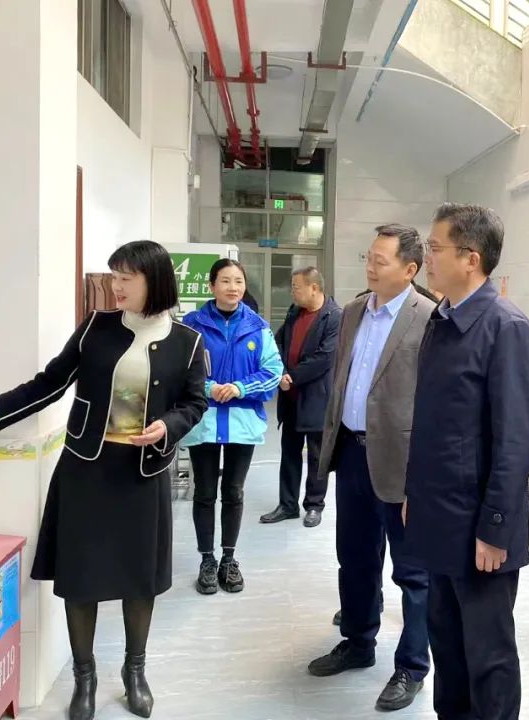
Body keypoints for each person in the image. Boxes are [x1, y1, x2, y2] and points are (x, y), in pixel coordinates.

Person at [0, 240, 208, 720]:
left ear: (154, 280)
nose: (115, 285)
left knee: (140, 580)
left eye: (126, 277)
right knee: (81, 577)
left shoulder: (188, 342)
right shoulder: (95, 328)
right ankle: (85, 677)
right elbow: (51, 382)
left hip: (142, 475)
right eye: (113, 275)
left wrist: (168, 426)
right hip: (87, 470)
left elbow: (194, 403)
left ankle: (135, 671)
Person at [404, 203, 529, 720]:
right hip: (439, 515)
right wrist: (414, 497)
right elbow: (433, 424)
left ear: (471, 258)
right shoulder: (441, 320)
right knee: (447, 644)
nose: (427, 256)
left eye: (435, 247)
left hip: (480, 526)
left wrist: (496, 527)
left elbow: (515, 441)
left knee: (488, 655)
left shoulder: (506, 327)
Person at [308, 224, 436, 713]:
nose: (370, 266)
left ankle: (412, 666)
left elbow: (434, 402)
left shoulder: (429, 318)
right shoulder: (354, 311)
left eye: (381, 260)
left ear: (409, 268)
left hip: (403, 464)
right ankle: (359, 641)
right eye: (369, 257)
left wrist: (423, 476)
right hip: (352, 454)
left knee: (413, 572)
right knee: (356, 557)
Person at [181, 259, 283, 596]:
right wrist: (209, 388)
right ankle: (207, 560)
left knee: (234, 492)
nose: (232, 287)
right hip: (203, 421)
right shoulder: (191, 325)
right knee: (205, 492)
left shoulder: (258, 327)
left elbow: (272, 372)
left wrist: (240, 387)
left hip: (242, 423)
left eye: (238, 281)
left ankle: (228, 558)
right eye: (225, 281)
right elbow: (179, 370)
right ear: (211, 286)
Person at [260, 267, 341, 528]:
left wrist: (291, 377)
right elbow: (279, 344)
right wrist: (281, 372)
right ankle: (287, 505)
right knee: (289, 453)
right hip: (291, 398)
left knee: (317, 456)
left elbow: (324, 358)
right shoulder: (294, 312)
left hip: (316, 398)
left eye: (296, 287)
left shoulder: (334, 317)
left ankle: (314, 505)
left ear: (314, 288)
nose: (292, 292)